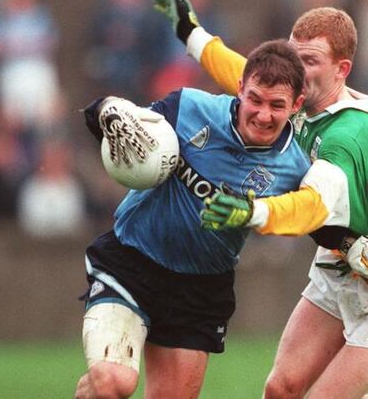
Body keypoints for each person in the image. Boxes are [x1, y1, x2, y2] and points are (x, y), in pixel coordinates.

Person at [150, 0, 368, 399]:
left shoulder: (349, 136)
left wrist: (251, 212)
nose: (296, 69)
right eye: (293, 55)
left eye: (310, 60)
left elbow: (312, 207)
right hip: (343, 262)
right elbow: (240, 73)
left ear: (342, 69)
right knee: (281, 389)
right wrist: (188, 30)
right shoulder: (297, 100)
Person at [74, 39, 310, 399]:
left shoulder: (297, 167)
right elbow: (121, 126)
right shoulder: (189, 107)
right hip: (131, 263)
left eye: (277, 105)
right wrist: (107, 109)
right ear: (240, 89)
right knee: (114, 382)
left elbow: (321, 218)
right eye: (256, 100)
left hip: (199, 290)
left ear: (296, 105)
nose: (263, 115)